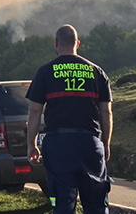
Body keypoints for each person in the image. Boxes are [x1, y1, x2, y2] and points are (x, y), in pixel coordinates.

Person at [26, 24, 114, 214]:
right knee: (96, 204)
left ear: (56, 43)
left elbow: (34, 111)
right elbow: (106, 112)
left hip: (58, 146)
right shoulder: (97, 72)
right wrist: (105, 143)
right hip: (90, 143)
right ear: (77, 43)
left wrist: (31, 144)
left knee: (63, 204)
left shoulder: (45, 72)